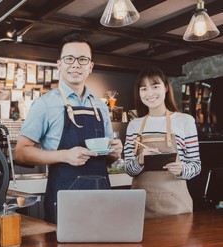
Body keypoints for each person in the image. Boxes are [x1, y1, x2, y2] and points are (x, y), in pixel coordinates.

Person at [15, 33, 123, 223]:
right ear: (59, 64)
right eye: (69, 59)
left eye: (82, 59)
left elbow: (107, 158)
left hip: (102, 197)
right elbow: (21, 152)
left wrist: (115, 152)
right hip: (64, 198)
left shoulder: (100, 106)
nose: (76, 64)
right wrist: (65, 156)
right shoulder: (44, 104)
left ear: (90, 66)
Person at [124, 67, 201, 218]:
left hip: (176, 206)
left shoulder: (185, 121)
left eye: (155, 86)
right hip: (141, 205)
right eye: (143, 88)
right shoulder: (134, 125)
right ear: (139, 93)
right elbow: (128, 169)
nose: (150, 93)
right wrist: (140, 160)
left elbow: (196, 166)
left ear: (165, 88)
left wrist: (181, 169)